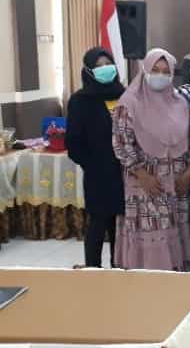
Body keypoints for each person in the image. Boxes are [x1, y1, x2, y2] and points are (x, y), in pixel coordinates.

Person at [113, 48, 190, 271]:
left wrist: (189, 172)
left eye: (165, 71)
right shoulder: (129, 103)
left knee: (176, 230)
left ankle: (177, 276)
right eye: (155, 70)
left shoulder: (180, 103)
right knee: (152, 232)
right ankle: (148, 280)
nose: (160, 75)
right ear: (145, 71)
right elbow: (121, 143)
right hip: (146, 184)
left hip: (177, 183)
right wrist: (142, 175)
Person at [66, 48, 126, 268]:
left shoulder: (125, 95)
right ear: (89, 71)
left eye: (108, 64)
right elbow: (73, 143)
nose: (104, 69)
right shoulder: (80, 100)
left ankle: (118, 270)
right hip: (98, 175)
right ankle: (93, 270)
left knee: (120, 227)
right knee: (98, 225)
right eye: (98, 66)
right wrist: (93, 165)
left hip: (126, 173)